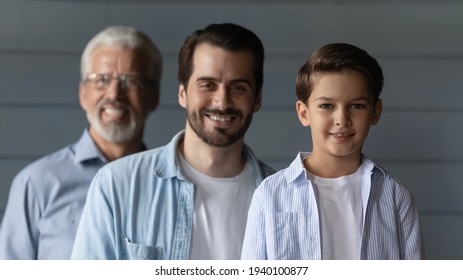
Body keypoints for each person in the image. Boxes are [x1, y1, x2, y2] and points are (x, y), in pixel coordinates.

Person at [70, 23, 274, 260]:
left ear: (257, 98)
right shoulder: (116, 185)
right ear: (182, 93)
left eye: (238, 87)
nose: (222, 101)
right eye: (207, 85)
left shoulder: (282, 198)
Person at [241, 43, 425, 260]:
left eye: (356, 106)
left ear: (375, 112)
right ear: (304, 113)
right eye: (327, 106)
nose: (342, 120)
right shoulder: (270, 194)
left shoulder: (395, 197)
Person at [0, 26, 162, 259]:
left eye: (131, 81)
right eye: (101, 80)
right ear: (83, 93)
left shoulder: (168, 185)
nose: (115, 94)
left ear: (154, 96)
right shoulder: (35, 184)